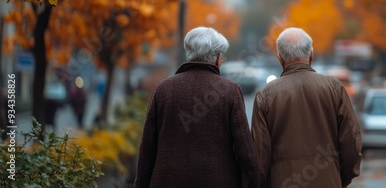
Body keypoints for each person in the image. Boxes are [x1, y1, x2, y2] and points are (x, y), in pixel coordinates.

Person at [135, 27, 261, 188]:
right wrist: (256, 179)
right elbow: (245, 150)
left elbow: (147, 147)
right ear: (217, 58)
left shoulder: (163, 89)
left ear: (189, 54)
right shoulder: (230, 90)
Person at [251, 27, 362, 188]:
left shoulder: (265, 95)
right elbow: (351, 142)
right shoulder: (335, 88)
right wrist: (338, 178)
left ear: (279, 58)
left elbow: (260, 154)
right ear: (311, 54)